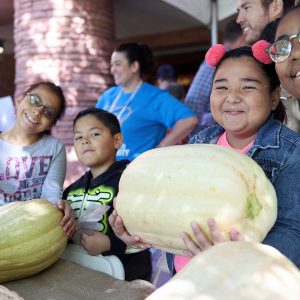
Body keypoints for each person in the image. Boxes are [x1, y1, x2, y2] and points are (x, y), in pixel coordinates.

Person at [109, 43, 300, 274]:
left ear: (273, 98)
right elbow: (167, 210)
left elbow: (294, 232)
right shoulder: (199, 142)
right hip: (186, 278)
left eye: (247, 88)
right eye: (221, 88)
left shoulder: (291, 151)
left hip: (241, 285)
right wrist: (134, 234)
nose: (232, 97)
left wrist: (237, 260)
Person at [63, 107, 152, 281]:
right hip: (83, 279)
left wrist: (110, 243)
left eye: (94, 134)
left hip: (127, 281)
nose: (85, 141)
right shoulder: (71, 190)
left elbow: (148, 233)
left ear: (117, 140)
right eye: (78, 137)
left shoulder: (132, 182)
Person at [95, 43, 197, 161]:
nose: (113, 70)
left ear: (134, 66)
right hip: (106, 172)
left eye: (117, 64)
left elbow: (189, 120)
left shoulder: (154, 97)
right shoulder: (108, 96)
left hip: (138, 173)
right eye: (111, 65)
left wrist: (159, 149)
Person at [0, 81, 75, 237]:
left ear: (51, 124)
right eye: (35, 100)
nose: (38, 111)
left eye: (48, 112)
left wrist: (60, 207)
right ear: (20, 99)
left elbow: (51, 196)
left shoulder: (55, 148)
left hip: (34, 232)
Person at [185, 16, 245, 136]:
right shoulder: (219, 59)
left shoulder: (230, 60)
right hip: (210, 140)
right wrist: (200, 137)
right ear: (243, 38)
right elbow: (194, 100)